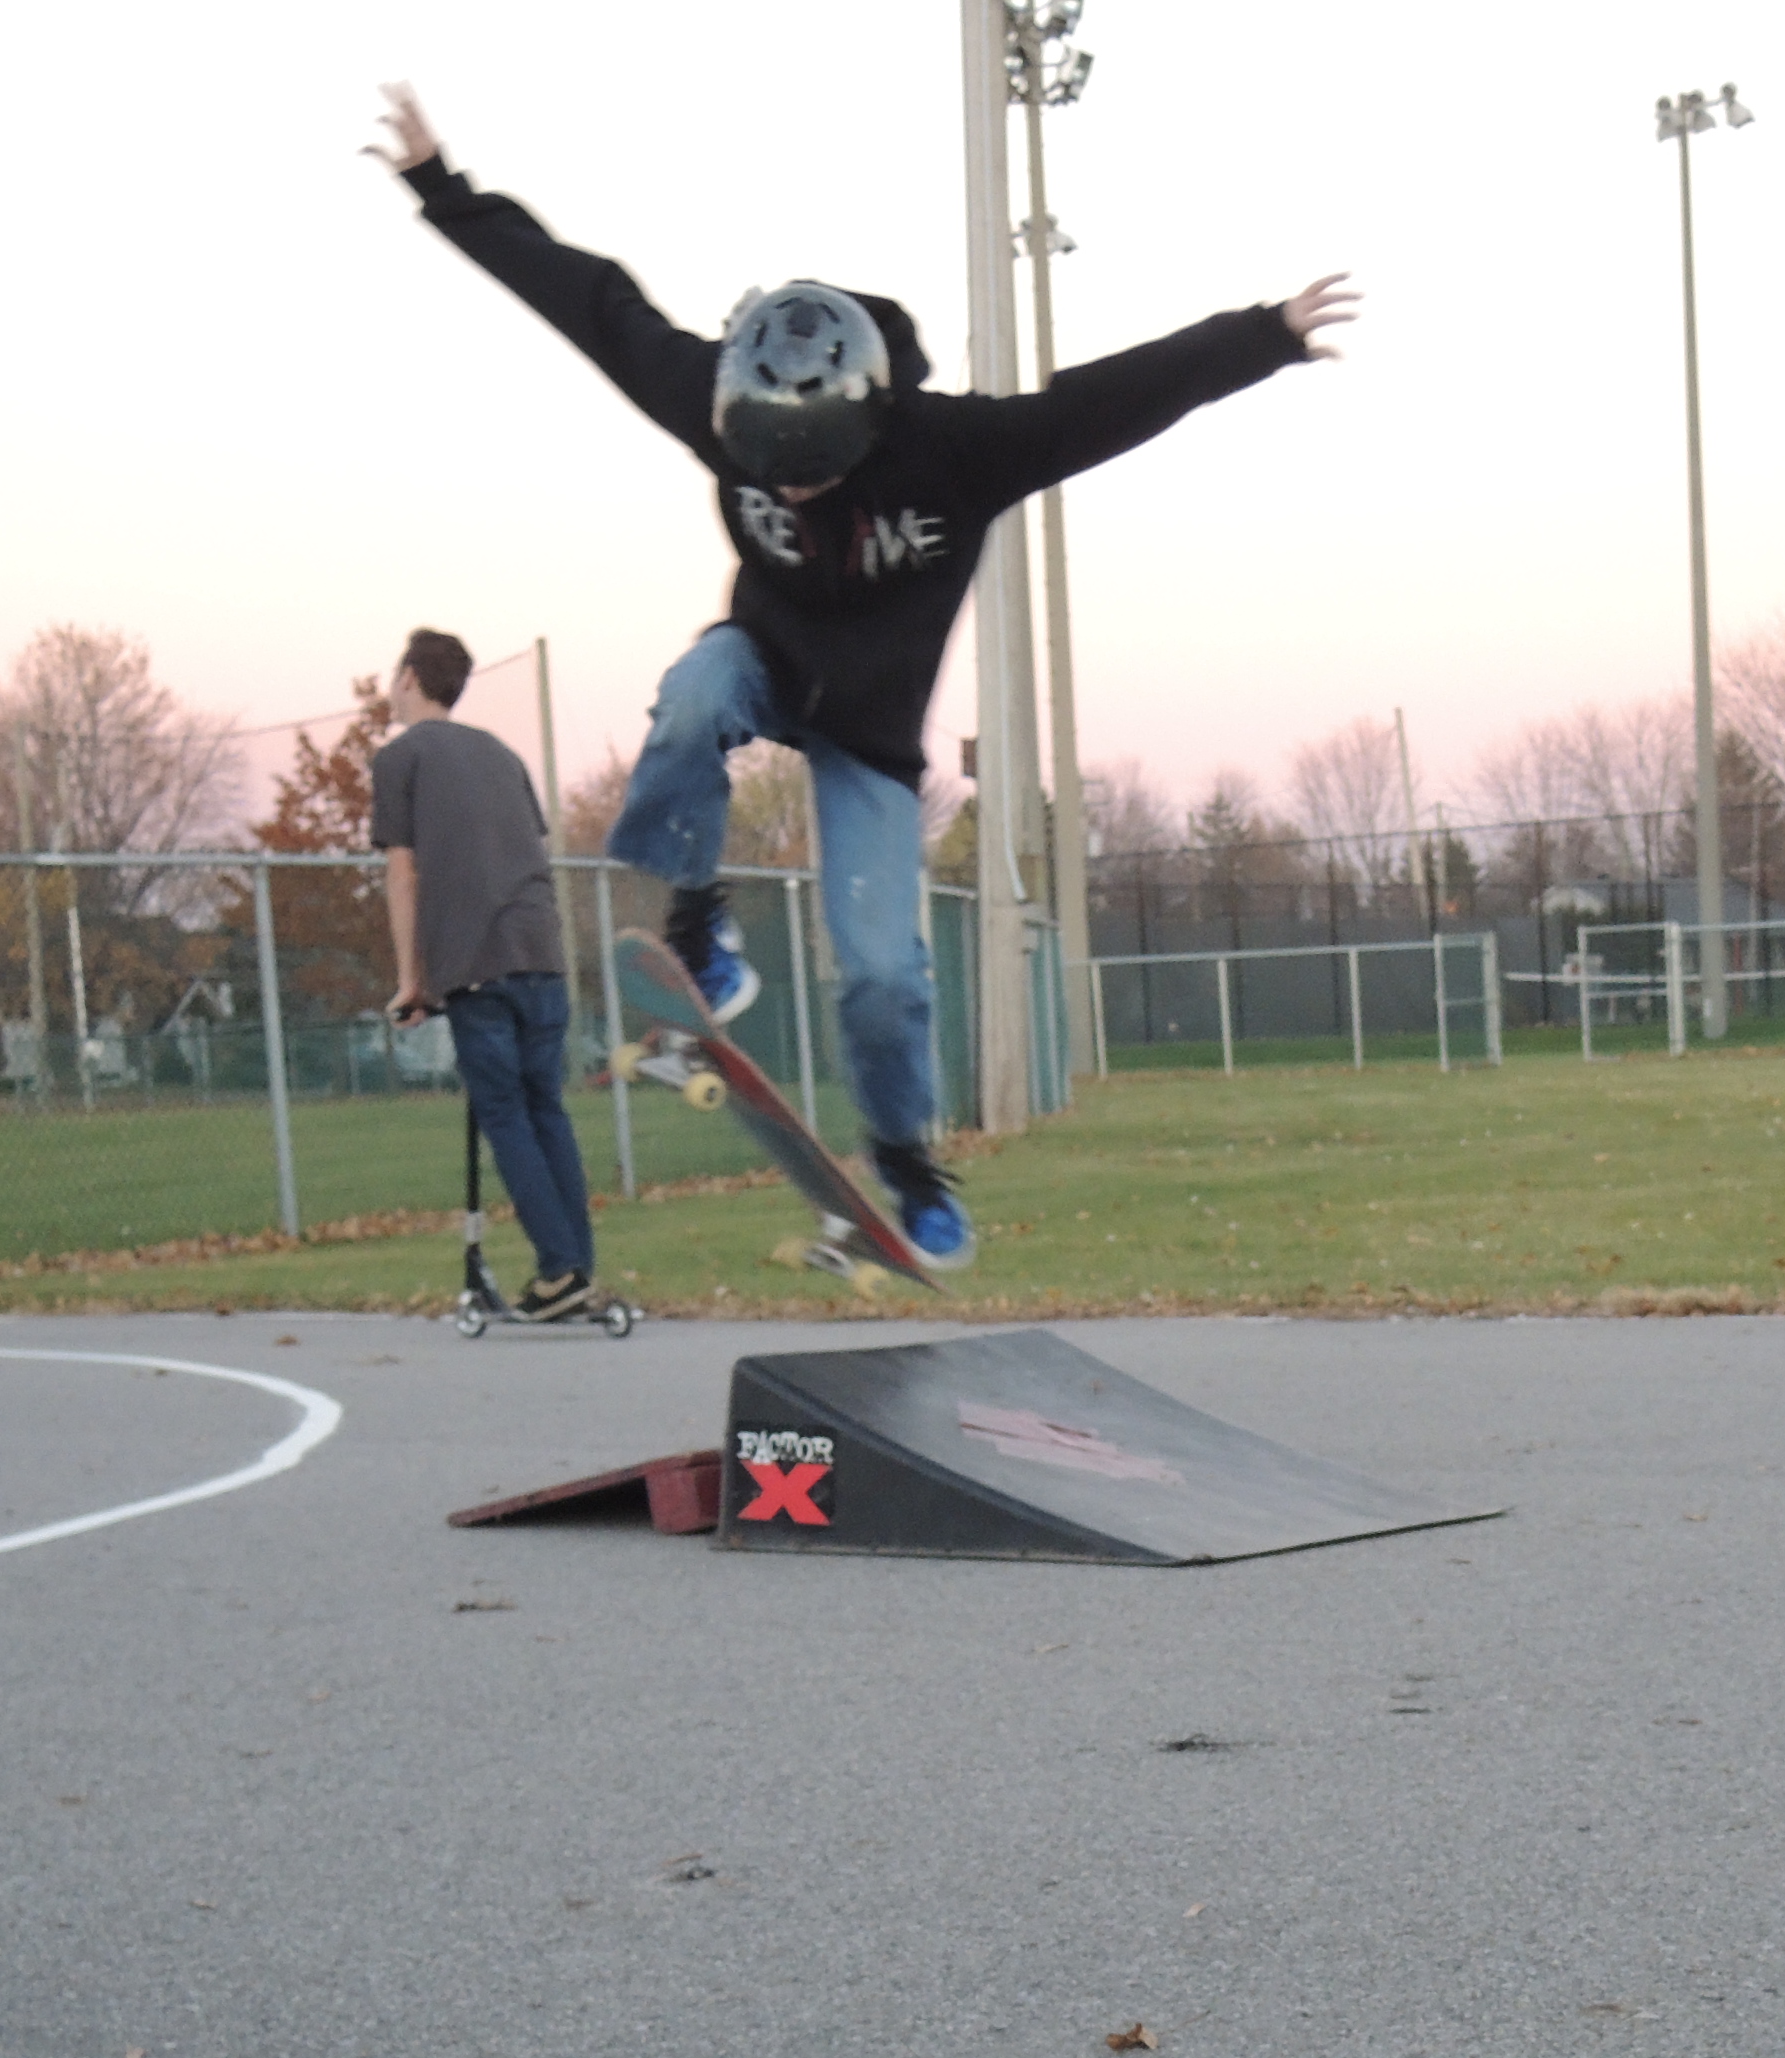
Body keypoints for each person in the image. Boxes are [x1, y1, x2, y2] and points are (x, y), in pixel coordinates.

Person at [367, 80, 1355, 1272]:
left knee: (883, 976)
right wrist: (440, 186)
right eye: (764, 480)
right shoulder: (710, 400)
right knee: (690, 700)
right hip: (760, 669)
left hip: (872, 739)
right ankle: (698, 925)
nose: (784, 498)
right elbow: (586, 302)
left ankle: (904, 1159)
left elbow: (1108, 399)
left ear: (866, 428)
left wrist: (1264, 335)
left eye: (811, 482)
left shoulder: (958, 449)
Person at [371, 627, 599, 1323]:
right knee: (546, 1109)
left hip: (477, 963)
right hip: (541, 953)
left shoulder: (399, 758)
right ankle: (577, 1267)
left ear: (410, 677)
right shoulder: (502, 754)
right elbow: (523, 847)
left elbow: (403, 872)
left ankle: (559, 1269)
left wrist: (413, 979)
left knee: (505, 1114)